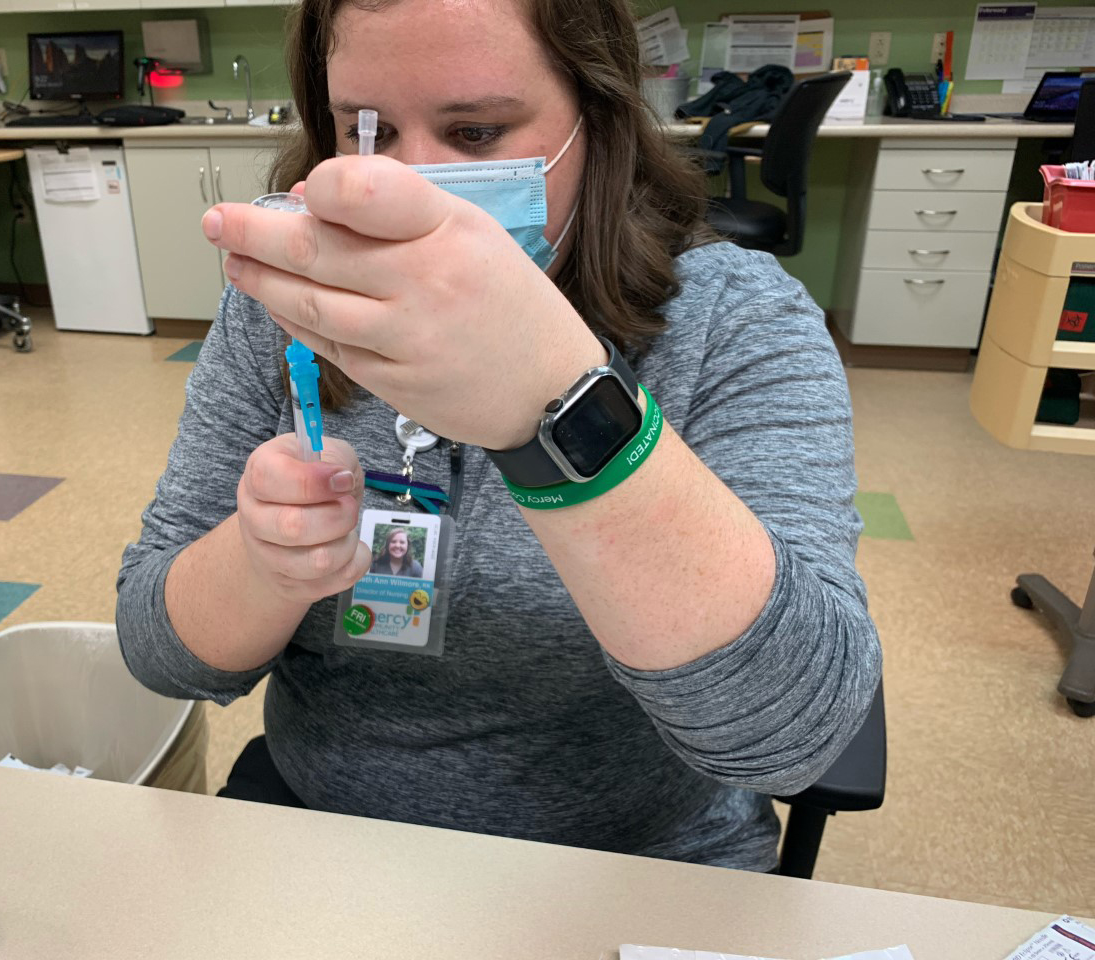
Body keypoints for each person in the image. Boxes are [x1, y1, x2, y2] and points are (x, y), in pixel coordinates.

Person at [118, 0, 882, 872]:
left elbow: (794, 738)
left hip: (632, 865)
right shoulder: (287, 308)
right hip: (328, 836)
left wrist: (559, 407)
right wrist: (263, 563)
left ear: (595, 116)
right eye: (368, 131)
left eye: (476, 133)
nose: (403, 185)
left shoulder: (736, 320)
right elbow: (159, 656)